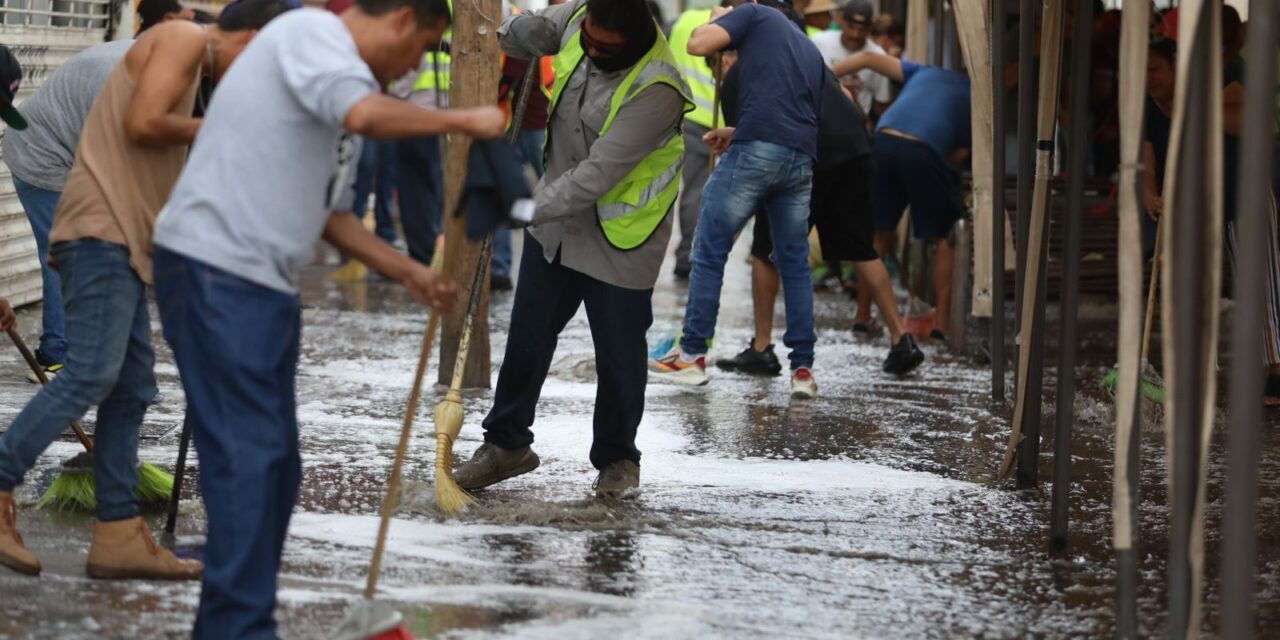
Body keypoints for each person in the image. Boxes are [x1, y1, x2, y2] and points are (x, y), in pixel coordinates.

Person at [150, 1, 503, 634]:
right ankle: (240, 628)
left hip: (262, 284)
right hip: (215, 271)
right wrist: (460, 119)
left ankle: (240, 620)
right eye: (424, 47)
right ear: (399, 20)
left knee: (278, 469)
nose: (418, 65)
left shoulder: (343, 84)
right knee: (248, 464)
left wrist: (407, 270)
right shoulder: (312, 35)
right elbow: (363, 114)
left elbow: (331, 215)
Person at [0, 0, 294, 582]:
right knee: (91, 373)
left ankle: (117, 535)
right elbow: (143, 123)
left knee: (131, 387)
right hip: (100, 232)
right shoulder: (186, 39)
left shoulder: (202, 83)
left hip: (127, 239)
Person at [452, 0, 691, 498]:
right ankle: (506, 444)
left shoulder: (659, 88)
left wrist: (520, 209)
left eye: (606, 48)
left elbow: (596, 175)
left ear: (638, 39)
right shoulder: (579, 17)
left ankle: (618, 459)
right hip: (555, 229)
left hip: (621, 237)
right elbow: (516, 36)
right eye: (588, 38)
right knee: (527, 338)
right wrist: (522, 30)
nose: (592, 48)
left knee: (619, 357)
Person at [649, 0, 825, 399]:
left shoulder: (755, 13)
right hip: (798, 158)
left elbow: (698, 45)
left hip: (758, 153)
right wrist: (736, 131)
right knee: (794, 263)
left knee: (709, 250)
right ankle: (802, 370)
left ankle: (692, 355)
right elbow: (796, 113)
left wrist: (718, 20)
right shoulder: (806, 46)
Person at [713, 53, 925, 378]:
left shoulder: (740, 73)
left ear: (727, 58)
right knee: (860, 248)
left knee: (764, 251)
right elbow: (847, 97)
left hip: (806, 154)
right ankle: (901, 339)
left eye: (716, 66)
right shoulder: (802, 53)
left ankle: (761, 349)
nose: (718, 73)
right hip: (855, 151)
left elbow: (752, 151)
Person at [1141, 37, 1280, 405]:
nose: (1149, 79)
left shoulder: (1218, 84)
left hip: (1243, 198)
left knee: (1263, 289)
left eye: (1155, 69)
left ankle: (1278, 375)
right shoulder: (1149, 107)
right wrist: (1150, 193)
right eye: (1142, 72)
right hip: (1194, 210)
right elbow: (1147, 159)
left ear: (1175, 65)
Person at [2, 40, 132, 383]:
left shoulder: (152, 68)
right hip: (43, 157)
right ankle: (59, 354)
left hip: (68, 149)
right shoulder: (125, 80)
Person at [833, 50, 971, 344]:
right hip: (924, 149)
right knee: (947, 237)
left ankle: (863, 318)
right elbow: (959, 154)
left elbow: (868, 58)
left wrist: (824, 76)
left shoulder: (924, 71)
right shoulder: (976, 97)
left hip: (883, 140)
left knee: (878, 235)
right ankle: (941, 326)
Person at [494, 52, 555, 291]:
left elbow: (508, 81)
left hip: (530, 127)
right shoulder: (540, 45)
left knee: (548, 197)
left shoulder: (520, 48)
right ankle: (500, 267)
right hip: (525, 126)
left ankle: (501, 267)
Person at [667, 6, 719, 280]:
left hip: (684, 114)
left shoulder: (685, 19)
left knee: (692, 191)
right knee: (699, 192)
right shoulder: (732, 22)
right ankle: (690, 255)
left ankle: (688, 254)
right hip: (714, 121)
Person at [810, 0, 892, 117]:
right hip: (820, 119)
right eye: (851, 27)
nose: (856, 34)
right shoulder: (819, 42)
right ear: (841, 20)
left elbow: (882, 103)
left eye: (862, 29)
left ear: (870, 27)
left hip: (855, 122)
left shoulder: (879, 57)